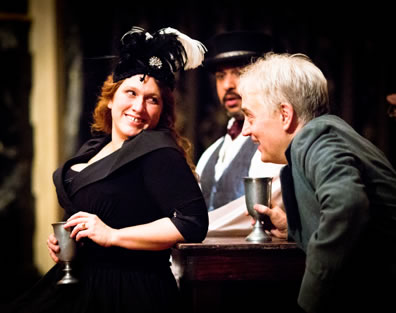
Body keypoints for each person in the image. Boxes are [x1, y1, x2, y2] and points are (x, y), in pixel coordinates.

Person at [4, 26, 209, 313]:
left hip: (128, 290)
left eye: (152, 99)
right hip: (82, 280)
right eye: (131, 92)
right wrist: (71, 240)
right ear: (111, 98)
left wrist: (112, 235)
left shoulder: (156, 147)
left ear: (162, 110)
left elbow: (193, 223)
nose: (139, 106)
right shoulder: (94, 148)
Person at [238, 52, 396, 312]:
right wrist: (292, 227)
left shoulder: (316, 137)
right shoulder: (321, 136)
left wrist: (307, 303)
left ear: (285, 115)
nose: (246, 130)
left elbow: (348, 205)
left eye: (251, 117)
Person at [195, 31, 284, 234]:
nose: (228, 85)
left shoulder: (274, 146)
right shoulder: (211, 153)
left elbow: (257, 211)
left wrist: (184, 229)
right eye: (220, 76)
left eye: (239, 72)